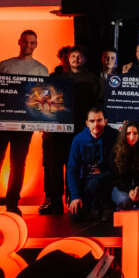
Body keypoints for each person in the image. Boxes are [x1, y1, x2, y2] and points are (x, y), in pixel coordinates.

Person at [0, 29, 49, 215]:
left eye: (32, 42)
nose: (28, 45)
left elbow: (43, 100)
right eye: (25, 41)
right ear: (19, 42)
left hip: (24, 125)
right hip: (0, 124)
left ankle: (12, 204)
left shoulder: (41, 69)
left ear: (36, 45)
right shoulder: (4, 65)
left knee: (18, 165)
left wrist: (44, 124)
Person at [40, 46, 102, 215]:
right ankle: (55, 201)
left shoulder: (92, 78)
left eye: (79, 56)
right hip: (58, 130)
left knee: (76, 166)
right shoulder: (57, 77)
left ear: (84, 59)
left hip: (81, 130)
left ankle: (73, 199)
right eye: (73, 56)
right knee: (55, 166)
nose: (76, 59)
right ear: (68, 58)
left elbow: (97, 102)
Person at [67, 107, 117, 221]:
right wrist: (75, 196)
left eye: (99, 120)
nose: (96, 124)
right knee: (75, 215)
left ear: (105, 121)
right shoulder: (79, 139)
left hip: (107, 181)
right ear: (87, 123)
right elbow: (72, 169)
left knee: (97, 182)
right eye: (92, 121)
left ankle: (105, 206)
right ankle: (93, 208)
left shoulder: (115, 136)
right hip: (86, 182)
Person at [111, 120, 139, 213]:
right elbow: (116, 178)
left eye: (135, 133)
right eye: (128, 133)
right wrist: (129, 190)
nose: (132, 137)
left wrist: (138, 187)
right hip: (122, 188)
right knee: (125, 200)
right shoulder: (115, 152)